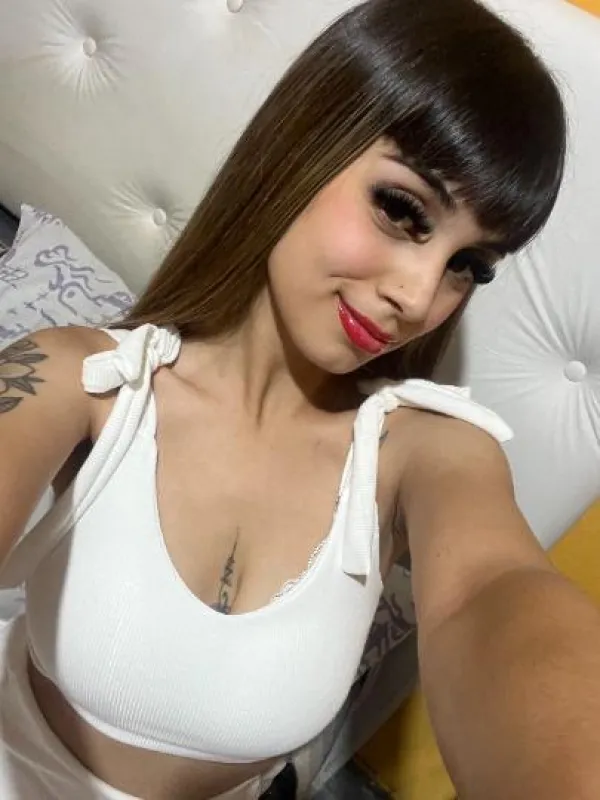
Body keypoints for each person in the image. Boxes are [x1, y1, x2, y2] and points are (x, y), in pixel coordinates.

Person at [1, 0, 599, 798]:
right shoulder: (86, 381)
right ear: (302, 144)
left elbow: (493, 591)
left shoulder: (424, 453)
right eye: (403, 209)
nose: (420, 295)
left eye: (470, 266)